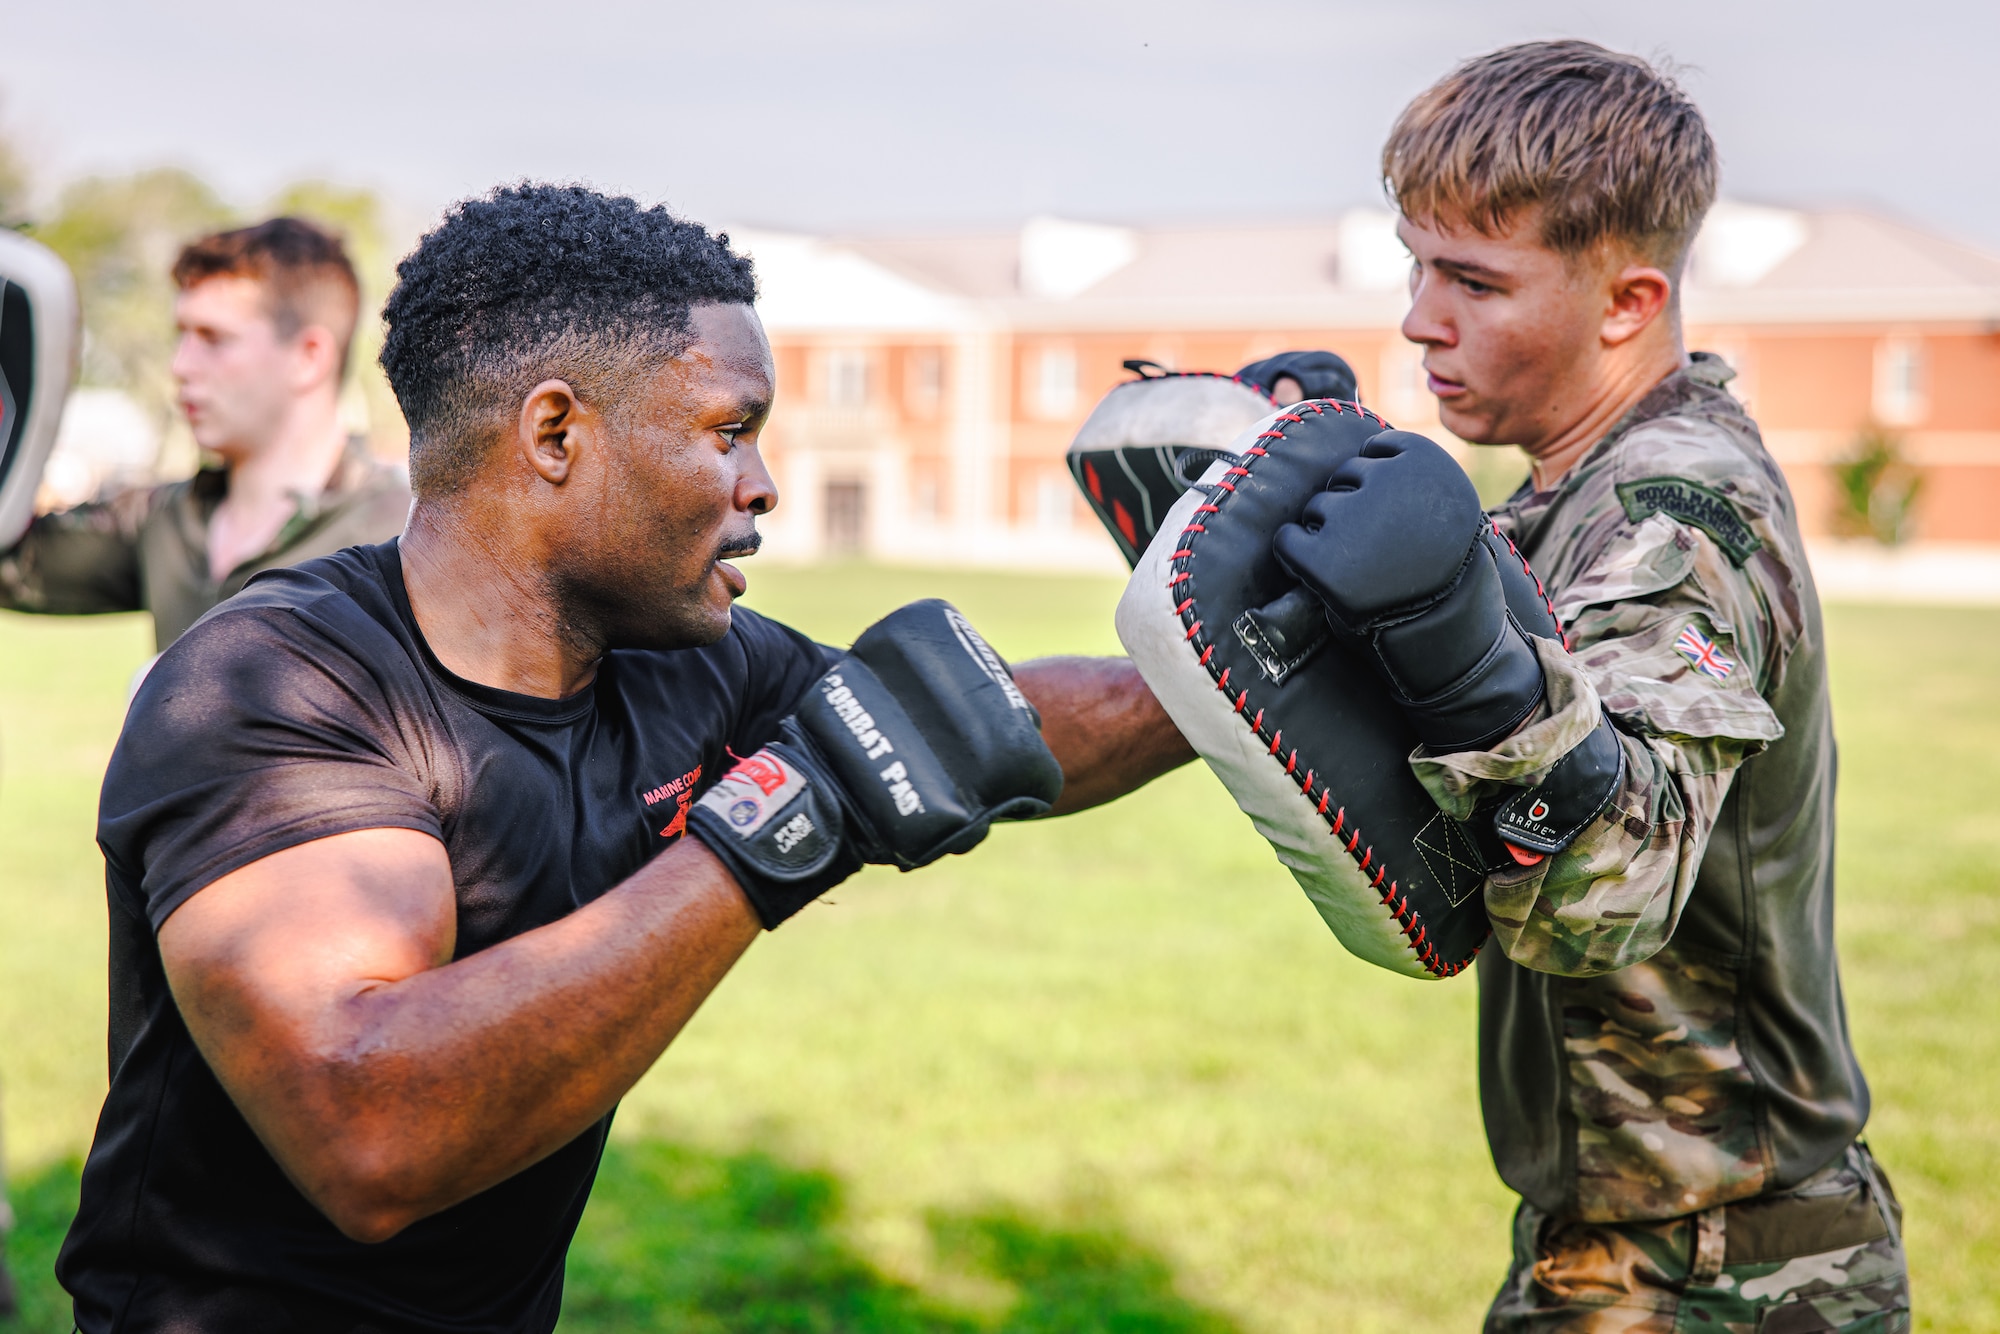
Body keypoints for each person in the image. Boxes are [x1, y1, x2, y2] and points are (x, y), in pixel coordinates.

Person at [54, 184, 1193, 1333]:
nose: (761, 485)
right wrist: (770, 836)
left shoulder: (684, 661)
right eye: (726, 430)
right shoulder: (268, 685)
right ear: (555, 434)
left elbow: (968, 721)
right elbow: (371, 1131)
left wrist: (1236, 650)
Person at [1279, 42, 1905, 1329]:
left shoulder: (1669, 510)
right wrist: (1252, 546)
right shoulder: (1573, 488)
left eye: (1471, 279)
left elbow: (1601, 890)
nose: (1415, 316)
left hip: (1716, 1268)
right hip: (1653, 1238)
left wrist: (1446, 629)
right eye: (1414, 264)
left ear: (1624, 301)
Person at [0, 216, 410, 652]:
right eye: (183, 336)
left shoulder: (404, 539)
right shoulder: (164, 518)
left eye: (213, 338)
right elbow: (12, 562)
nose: (180, 366)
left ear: (309, 357)